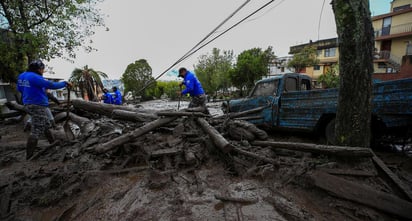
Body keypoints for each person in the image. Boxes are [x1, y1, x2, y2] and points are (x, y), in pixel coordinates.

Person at [17, 60, 71, 159]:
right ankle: (29, 156)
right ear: (38, 69)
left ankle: (53, 144)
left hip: (28, 104)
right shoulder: (35, 77)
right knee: (36, 130)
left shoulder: (22, 76)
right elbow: (51, 85)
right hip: (37, 105)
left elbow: (20, 89)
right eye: (42, 69)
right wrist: (64, 83)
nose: (43, 71)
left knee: (46, 125)